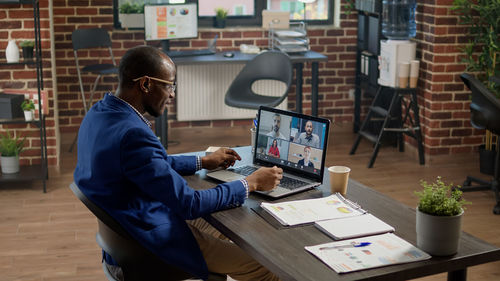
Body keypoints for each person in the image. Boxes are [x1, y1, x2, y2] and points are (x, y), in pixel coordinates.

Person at [73, 45, 283, 281]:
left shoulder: (101, 112)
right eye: (169, 85)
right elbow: (188, 203)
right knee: (264, 266)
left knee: (235, 228)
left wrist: (202, 161)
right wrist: (250, 183)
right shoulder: (132, 133)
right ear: (145, 84)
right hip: (149, 243)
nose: (172, 94)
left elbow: (148, 163)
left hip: (126, 237)